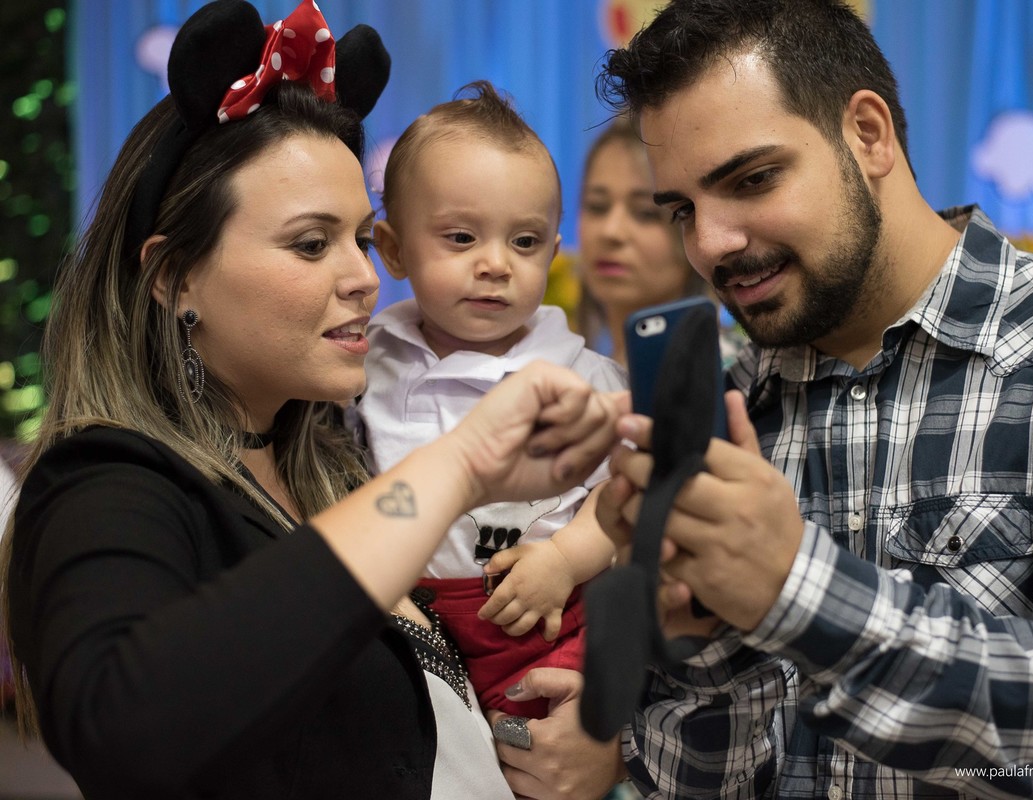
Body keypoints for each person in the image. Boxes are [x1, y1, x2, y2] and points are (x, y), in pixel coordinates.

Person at [0, 3, 626, 799]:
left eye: (363, 239)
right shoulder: (107, 480)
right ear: (173, 278)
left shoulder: (347, 453)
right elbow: (122, 728)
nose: (366, 277)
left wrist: (572, 743)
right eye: (310, 243)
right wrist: (459, 467)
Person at [593, 0, 1033, 798]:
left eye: (751, 179)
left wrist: (798, 590)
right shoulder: (736, 403)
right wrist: (705, 636)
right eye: (682, 210)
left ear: (869, 135)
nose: (710, 244)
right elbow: (689, 779)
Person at [357, 80, 627, 721]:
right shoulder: (367, 361)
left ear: (555, 253)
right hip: (404, 622)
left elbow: (627, 496)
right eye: (460, 238)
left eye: (525, 242)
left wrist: (566, 557)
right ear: (393, 249)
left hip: (541, 622)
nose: (496, 264)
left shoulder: (583, 376)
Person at [574, 115, 719, 367]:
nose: (611, 232)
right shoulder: (569, 373)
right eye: (597, 207)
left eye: (645, 213)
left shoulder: (727, 374)